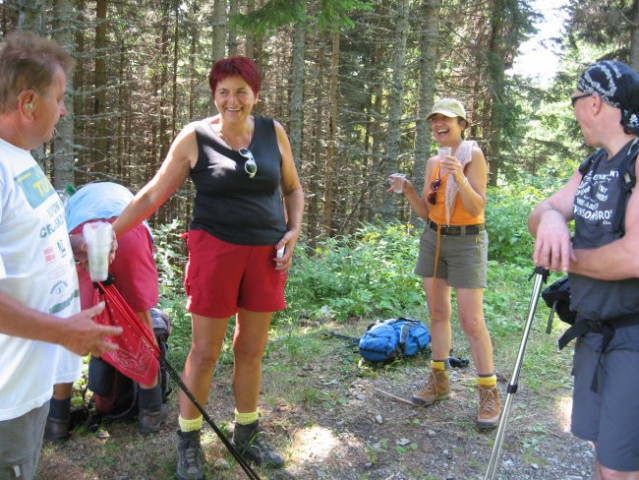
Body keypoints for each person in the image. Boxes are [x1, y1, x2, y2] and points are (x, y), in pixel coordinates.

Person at [112, 56, 304, 479]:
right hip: (215, 252)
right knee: (205, 352)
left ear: (255, 94)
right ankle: (189, 439)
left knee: (250, 350)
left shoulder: (274, 133)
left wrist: (293, 230)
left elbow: (292, 188)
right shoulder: (195, 136)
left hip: (266, 254)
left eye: (241, 91)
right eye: (223, 91)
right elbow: (151, 196)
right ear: (214, 94)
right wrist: (112, 232)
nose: (232, 100)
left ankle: (247, 433)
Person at [0, 31, 122, 480]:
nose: (64, 109)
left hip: (26, 385)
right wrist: (63, 331)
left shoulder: (21, 158)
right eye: (59, 98)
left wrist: (74, 245)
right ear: (29, 102)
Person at [528, 60, 639, 479]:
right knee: (603, 453)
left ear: (594, 102)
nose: (573, 112)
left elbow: (635, 256)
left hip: (633, 336)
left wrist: (565, 255)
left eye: (575, 101)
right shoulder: (594, 165)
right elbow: (541, 210)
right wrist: (553, 221)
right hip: (595, 333)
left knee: (619, 468)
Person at [388, 98, 499, 429]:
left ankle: (488, 392)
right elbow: (427, 210)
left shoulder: (472, 156)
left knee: (472, 321)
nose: (439, 124)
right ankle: (439, 381)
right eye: (434, 119)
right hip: (435, 238)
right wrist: (408, 189)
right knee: (438, 313)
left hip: (468, 240)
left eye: (446, 119)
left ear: (461, 124)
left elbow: (477, 205)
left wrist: (460, 178)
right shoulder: (433, 161)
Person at [45, 181, 167, 441]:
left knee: (71, 325)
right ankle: (150, 412)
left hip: (81, 235)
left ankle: (58, 419)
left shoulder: (72, 205)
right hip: (130, 231)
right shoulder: (124, 197)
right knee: (142, 324)